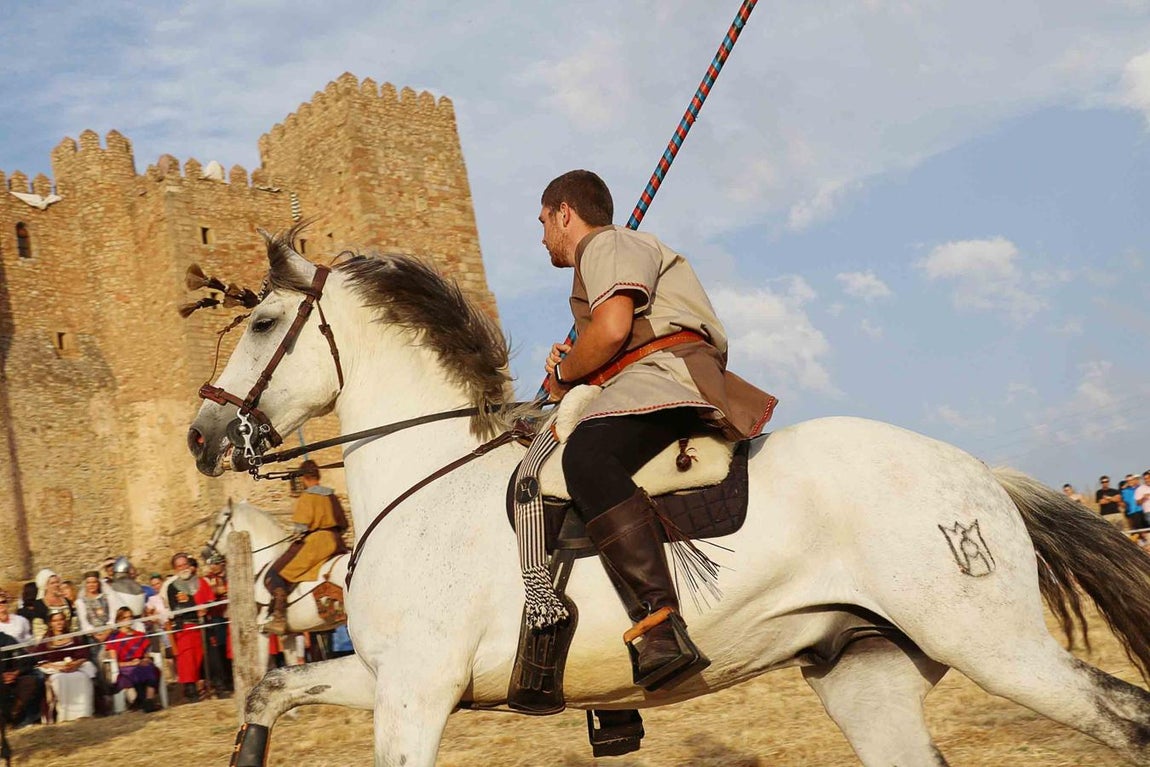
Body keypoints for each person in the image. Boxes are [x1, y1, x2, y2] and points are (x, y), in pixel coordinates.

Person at [535, 170, 776, 689]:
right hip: (645, 376)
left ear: (564, 213)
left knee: (585, 458)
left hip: (665, 376)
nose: (541, 237)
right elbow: (609, 340)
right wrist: (578, 362)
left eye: (543, 222)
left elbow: (615, 329)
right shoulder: (606, 254)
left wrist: (564, 371)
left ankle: (660, 623)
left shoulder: (606, 243)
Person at [263, 460, 350, 635]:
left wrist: (298, 533)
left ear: (304, 478)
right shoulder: (331, 496)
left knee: (277, 573)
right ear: (318, 476)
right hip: (337, 541)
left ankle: (279, 618)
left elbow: (301, 527)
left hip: (316, 544)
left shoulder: (307, 497)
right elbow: (344, 524)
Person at [166, 553, 214, 702]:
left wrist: (205, 609)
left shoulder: (199, 582)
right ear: (175, 569)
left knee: (201, 658)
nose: (183, 568)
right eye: (179, 566)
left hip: (201, 625)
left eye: (185, 564)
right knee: (187, 660)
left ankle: (206, 687)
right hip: (185, 626)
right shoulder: (172, 587)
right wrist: (196, 607)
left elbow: (210, 600)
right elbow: (177, 607)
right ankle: (190, 691)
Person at [35, 611, 96, 722]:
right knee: (59, 680)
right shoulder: (45, 641)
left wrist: (75, 664)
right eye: (55, 620)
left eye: (61, 620)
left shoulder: (74, 638)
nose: (59, 623)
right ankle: (65, 715)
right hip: (55, 670)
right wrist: (58, 668)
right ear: (50, 623)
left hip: (74, 667)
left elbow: (83, 655)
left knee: (82, 678)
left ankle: (83, 713)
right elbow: (41, 661)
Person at [106, 607, 161, 712]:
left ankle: (148, 701)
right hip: (126, 667)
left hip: (141, 663)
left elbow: (147, 654)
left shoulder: (140, 635)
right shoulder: (113, 638)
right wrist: (130, 663)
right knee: (133, 673)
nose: (128, 620)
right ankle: (143, 701)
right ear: (119, 620)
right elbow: (115, 663)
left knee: (150, 668)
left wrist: (145, 660)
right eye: (124, 618)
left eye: (130, 617)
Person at [0, 590, 41, 728]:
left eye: (3, 602)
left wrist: (15, 673)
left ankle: (16, 717)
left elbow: (25, 657)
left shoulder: (5, 638)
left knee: (31, 681)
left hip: (10, 676)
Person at [31, 570, 76, 641]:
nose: (56, 585)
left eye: (57, 582)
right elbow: (38, 629)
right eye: (52, 583)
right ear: (45, 586)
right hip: (50, 642)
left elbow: (73, 623)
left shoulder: (66, 601)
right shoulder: (39, 604)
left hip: (69, 638)